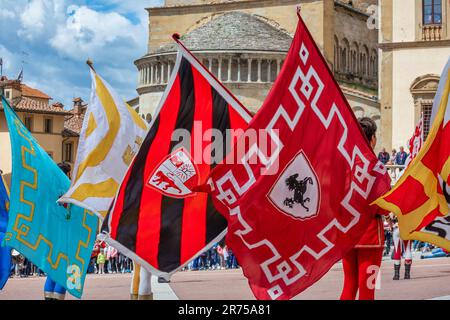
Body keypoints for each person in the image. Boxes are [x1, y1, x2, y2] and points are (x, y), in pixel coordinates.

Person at [340, 117, 389, 300]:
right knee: (368, 289)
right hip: (370, 236)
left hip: (347, 233)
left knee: (349, 285)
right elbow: (383, 207)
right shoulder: (377, 168)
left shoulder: (346, 165)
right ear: (373, 138)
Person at [44, 162, 71, 300]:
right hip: (66, 234)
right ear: (68, 173)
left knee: (52, 270)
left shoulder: (49, 188)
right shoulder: (70, 188)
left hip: (51, 234)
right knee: (63, 270)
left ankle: (48, 297)